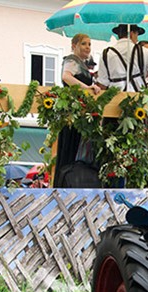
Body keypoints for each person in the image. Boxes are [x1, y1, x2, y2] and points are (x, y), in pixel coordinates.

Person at [54, 33, 102, 188]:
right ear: (74, 45)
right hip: (73, 115)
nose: (87, 47)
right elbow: (66, 77)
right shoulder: (72, 60)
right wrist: (86, 88)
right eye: (83, 44)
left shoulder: (83, 64)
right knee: (71, 147)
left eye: (89, 44)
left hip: (80, 115)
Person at [96, 24, 148, 98]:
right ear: (132, 34)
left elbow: (102, 85)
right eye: (137, 35)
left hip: (115, 99)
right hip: (138, 99)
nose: (137, 39)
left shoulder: (106, 53)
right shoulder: (143, 51)